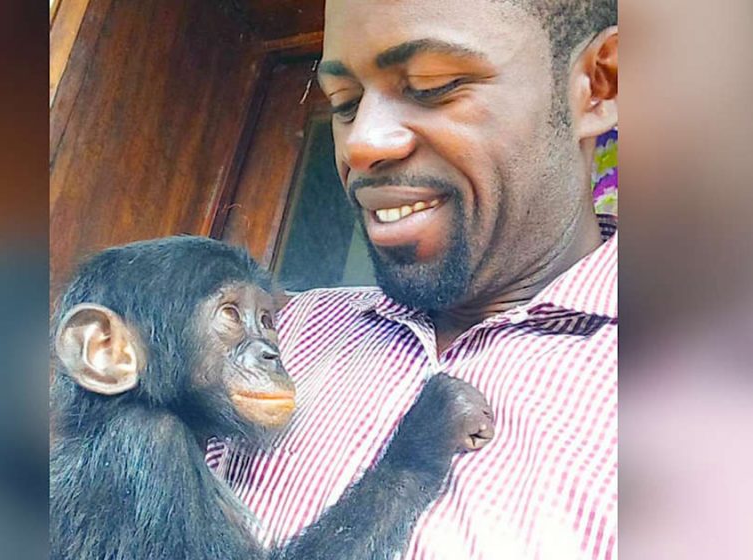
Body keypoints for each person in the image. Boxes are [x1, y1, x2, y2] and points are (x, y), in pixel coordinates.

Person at [208, 0, 618, 557]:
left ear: (599, 85)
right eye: (345, 103)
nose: (361, 144)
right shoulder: (278, 337)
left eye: (434, 86)